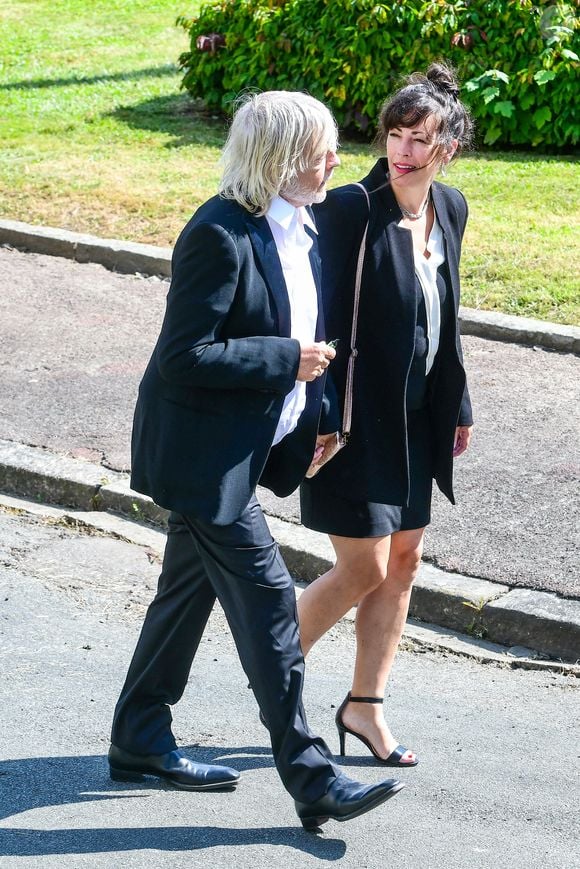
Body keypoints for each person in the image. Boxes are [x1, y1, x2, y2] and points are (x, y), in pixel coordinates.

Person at [108, 90, 404, 830]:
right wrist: (284, 360)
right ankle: (311, 775)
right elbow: (186, 355)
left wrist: (322, 414)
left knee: (182, 597)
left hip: (237, 452)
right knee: (273, 603)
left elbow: (316, 332)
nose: (336, 159)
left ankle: (139, 736)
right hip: (200, 461)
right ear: (277, 158)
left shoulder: (304, 226)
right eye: (321, 148)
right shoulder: (217, 232)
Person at [298, 64, 474, 768]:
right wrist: (313, 408)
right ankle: (274, 662)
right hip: (352, 416)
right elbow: (319, 310)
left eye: (419, 138)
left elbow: (447, 314)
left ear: (448, 147)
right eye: (396, 135)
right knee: (364, 563)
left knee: (404, 559)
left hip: (418, 416)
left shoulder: (450, 208)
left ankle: (364, 706)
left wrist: (457, 400)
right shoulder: (351, 209)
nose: (403, 150)